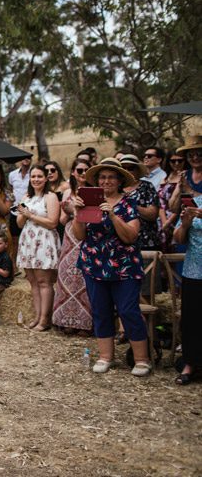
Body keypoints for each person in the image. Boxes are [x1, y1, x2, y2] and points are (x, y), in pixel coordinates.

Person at [72, 158, 151, 377]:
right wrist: (78, 214)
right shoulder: (89, 202)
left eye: (111, 177)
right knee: (100, 310)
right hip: (94, 264)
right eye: (102, 177)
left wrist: (113, 215)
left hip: (124, 266)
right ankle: (106, 357)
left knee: (128, 310)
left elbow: (130, 236)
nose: (106, 181)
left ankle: (142, 360)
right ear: (97, 181)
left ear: (119, 181)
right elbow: (79, 236)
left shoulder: (128, 204)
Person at [15, 164, 61, 332]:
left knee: (44, 281)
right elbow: (19, 223)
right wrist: (22, 214)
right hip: (28, 240)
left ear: (46, 178)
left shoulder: (51, 197)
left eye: (39, 176)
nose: (36, 179)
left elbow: (53, 222)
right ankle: (37, 316)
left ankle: (45, 319)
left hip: (44, 240)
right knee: (33, 281)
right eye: (33, 177)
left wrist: (31, 215)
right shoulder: (26, 196)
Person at [53, 159, 94, 334]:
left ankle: (85, 323)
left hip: (87, 234)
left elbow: (95, 216)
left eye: (86, 169)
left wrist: (79, 211)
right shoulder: (67, 192)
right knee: (68, 279)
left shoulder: (94, 192)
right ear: (73, 172)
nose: (82, 173)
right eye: (79, 169)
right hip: (69, 236)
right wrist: (68, 209)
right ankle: (67, 321)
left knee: (84, 280)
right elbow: (62, 220)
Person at [172, 194, 202, 385]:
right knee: (192, 319)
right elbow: (179, 239)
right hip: (194, 270)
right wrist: (185, 223)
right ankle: (190, 364)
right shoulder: (196, 201)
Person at [119, 154, 160, 254]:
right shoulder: (116, 189)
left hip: (145, 242)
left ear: (137, 170)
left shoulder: (147, 187)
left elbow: (153, 214)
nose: (127, 171)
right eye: (123, 168)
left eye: (131, 168)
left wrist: (129, 204)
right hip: (120, 243)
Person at [159, 150, 186, 251]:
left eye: (180, 160)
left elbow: (182, 203)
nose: (176, 163)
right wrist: (164, 221)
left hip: (179, 219)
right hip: (163, 221)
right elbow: (160, 202)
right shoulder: (165, 178)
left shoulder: (186, 177)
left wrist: (169, 222)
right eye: (173, 161)